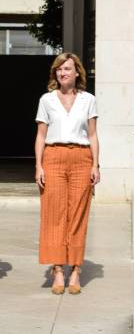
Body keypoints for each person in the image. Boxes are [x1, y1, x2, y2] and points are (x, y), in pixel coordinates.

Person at [35, 52, 100, 295]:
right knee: (54, 214)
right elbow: (41, 135)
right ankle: (58, 270)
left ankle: (75, 269)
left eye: (68, 69)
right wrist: (38, 166)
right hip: (53, 157)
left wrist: (96, 164)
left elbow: (93, 135)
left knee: (78, 214)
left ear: (77, 73)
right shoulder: (46, 100)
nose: (63, 73)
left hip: (82, 158)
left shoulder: (88, 100)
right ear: (56, 73)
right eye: (59, 69)